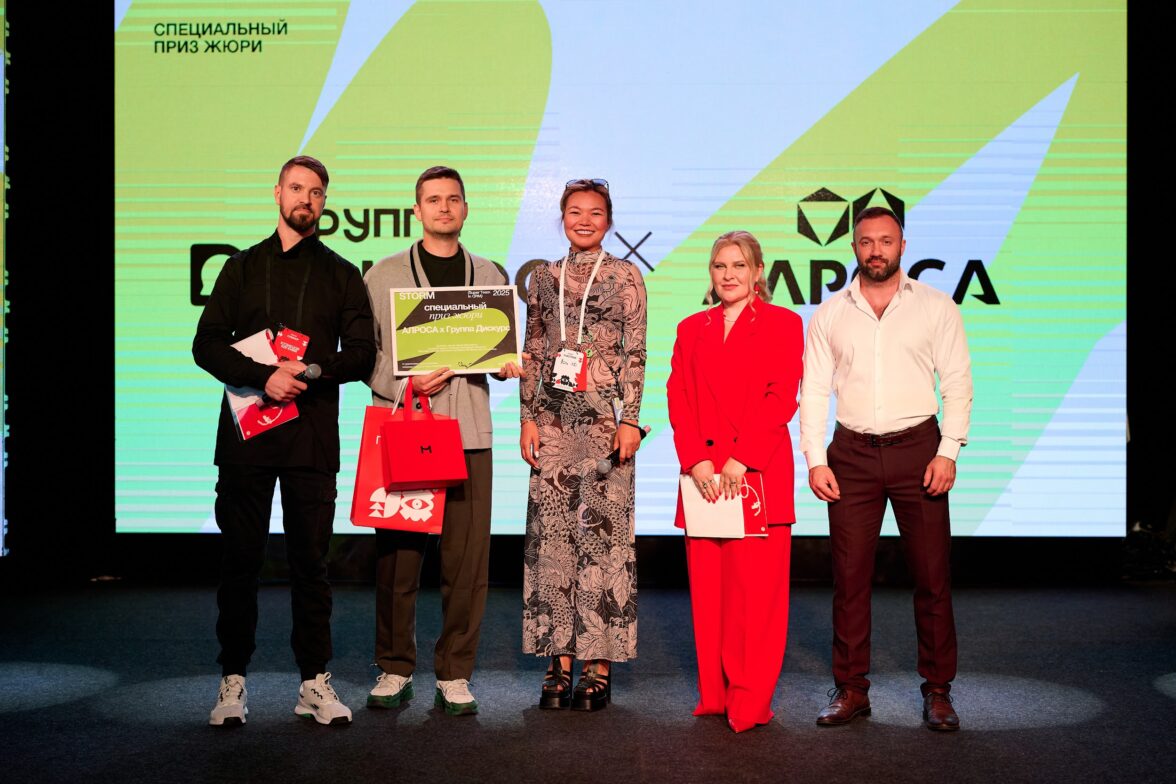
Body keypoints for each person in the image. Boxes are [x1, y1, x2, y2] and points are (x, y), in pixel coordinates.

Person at [193, 155, 376, 726]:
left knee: (311, 565)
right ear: (277, 193)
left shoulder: (342, 273)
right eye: (297, 188)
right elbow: (206, 344)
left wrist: (311, 371)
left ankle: (313, 683)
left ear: (324, 202)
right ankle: (233, 682)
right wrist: (262, 376)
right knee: (240, 562)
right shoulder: (241, 267)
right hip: (247, 436)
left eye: (316, 192)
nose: (306, 199)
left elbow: (362, 355)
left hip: (312, 436)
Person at [799, 206, 973, 732]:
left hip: (919, 449)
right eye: (866, 241)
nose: (876, 250)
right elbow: (814, 391)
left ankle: (938, 690)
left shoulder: (936, 307)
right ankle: (851, 689)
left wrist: (948, 450)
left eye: (886, 240)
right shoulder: (831, 313)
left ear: (902, 245)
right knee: (849, 580)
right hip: (850, 454)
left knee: (932, 577)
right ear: (854, 247)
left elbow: (957, 381)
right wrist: (815, 458)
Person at [363, 166, 523, 716]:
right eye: (433, 200)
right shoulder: (383, 274)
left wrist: (505, 364)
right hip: (408, 427)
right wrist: (402, 383)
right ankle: (394, 667)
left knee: (467, 563)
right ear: (417, 211)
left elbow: (498, 349)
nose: (444, 208)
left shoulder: (489, 273)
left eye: (453, 199)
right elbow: (364, 355)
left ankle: (455, 672)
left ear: (466, 208)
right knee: (399, 559)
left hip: (470, 433)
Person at [667, 230, 803, 733]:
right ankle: (716, 695)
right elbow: (678, 397)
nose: (729, 275)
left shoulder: (783, 323)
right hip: (704, 477)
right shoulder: (690, 328)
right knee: (711, 596)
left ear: (758, 272)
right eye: (720, 266)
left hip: (756, 473)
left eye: (739, 265)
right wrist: (698, 461)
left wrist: (740, 459)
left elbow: (781, 395)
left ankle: (751, 700)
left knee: (757, 599)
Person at [518, 178, 647, 711]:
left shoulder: (626, 276)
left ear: (608, 221)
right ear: (562, 218)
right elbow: (532, 348)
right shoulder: (543, 277)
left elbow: (636, 351)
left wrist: (630, 419)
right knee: (552, 544)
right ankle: (558, 661)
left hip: (603, 423)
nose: (585, 220)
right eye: (575, 211)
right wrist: (527, 418)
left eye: (595, 212)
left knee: (601, 545)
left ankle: (598, 664)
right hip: (551, 425)